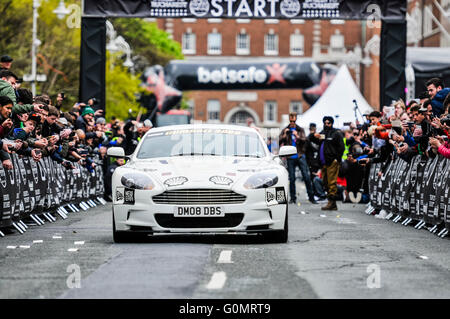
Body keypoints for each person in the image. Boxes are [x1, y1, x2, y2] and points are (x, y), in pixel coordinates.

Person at [279, 112, 316, 204]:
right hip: (290, 156)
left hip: (300, 156)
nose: (292, 122)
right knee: (291, 178)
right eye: (291, 120)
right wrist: (284, 135)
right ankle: (293, 198)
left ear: (296, 119)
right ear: (289, 119)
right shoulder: (285, 130)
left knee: (306, 177)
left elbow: (305, 140)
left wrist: (297, 136)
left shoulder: (300, 129)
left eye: (294, 120)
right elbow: (280, 141)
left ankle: (311, 197)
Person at [316, 116, 345, 210]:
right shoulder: (323, 133)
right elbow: (314, 141)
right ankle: (332, 203)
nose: (326, 124)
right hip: (323, 162)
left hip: (332, 162)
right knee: (325, 182)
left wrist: (337, 159)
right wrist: (313, 136)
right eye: (325, 123)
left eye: (328, 123)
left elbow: (341, 147)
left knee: (332, 183)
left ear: (332, 123)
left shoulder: (336, 133)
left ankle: (332, 203)